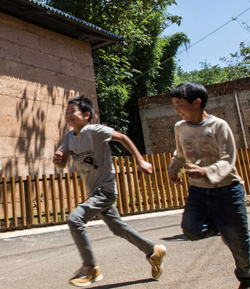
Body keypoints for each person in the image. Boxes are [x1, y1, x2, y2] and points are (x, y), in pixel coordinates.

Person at [53, 95, 166, 287]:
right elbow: (62, 163)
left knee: (75, 219)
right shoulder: (69, 138)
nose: (69, 114)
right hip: (93, 193)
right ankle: (153, 251)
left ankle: (91, 268)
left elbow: (122, 138)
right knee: (117, 228)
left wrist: (140, 160)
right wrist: (58, 160)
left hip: (105, 190)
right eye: (67, 111)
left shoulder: (95, 131)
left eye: (73, 111)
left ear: (86, 115)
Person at [168, 82, 250, 289]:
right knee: (191, 230)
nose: (177, 109)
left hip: (228, 191)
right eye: (174, 105)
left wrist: (206, 172)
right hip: (198, 192)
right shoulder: (180, 127)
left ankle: (248, 279)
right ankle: (223, 227)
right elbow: (180, 153)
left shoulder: (218, 126)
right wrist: (173, 169)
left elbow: (228, 160)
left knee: (238, 242)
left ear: (197, 103)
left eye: (180, 104)